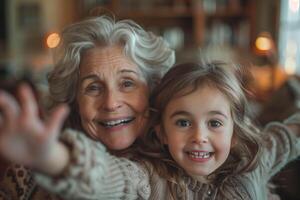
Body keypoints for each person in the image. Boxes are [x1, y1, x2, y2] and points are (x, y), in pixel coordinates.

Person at [1, 61, 299, 199]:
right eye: (183, 122)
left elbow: (289, 134)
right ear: (160, 132)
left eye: (215, 123)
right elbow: (106, 176)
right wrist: (51, 156)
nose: (199, 136)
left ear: (234, 132)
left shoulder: (254, 161)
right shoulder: (149, 178)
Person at [0, 14, 175, 199]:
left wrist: (54, 158)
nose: (110, 103)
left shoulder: (179, 165)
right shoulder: (31, 162)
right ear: (74, 100)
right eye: (93, 87)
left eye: (127, 83)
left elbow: (115, 180)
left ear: (153, 89)